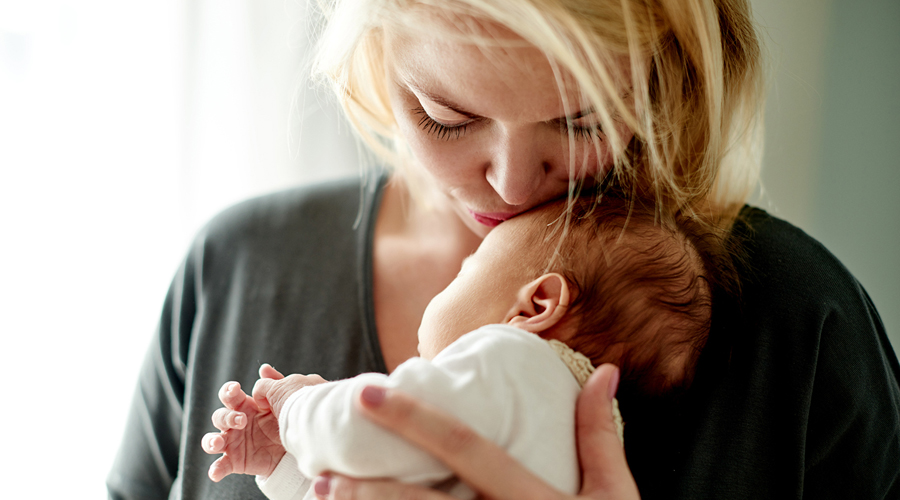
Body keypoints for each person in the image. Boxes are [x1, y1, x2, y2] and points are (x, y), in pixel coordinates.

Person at [107, 0, 900, 499]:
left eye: (581, 121)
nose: (512, 184)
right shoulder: (236, 265)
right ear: (377, 63)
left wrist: (294, 410)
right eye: (446, 116)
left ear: (665, 78)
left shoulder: (801, 324)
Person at [199, 195, 726, 499]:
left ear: (536, 306)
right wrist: (280, 467)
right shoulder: (582, 443)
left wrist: (295, 405)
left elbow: (364, 432)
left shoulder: (515, 361)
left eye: (468, 269)